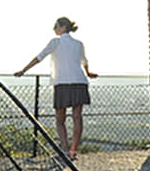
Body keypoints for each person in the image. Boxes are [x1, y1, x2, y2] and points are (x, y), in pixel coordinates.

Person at [14, 17, 97, 158]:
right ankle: (73, 151)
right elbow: (84, 61)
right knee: (77, 117)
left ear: (63, 27)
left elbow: (39, 57)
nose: (54, 29)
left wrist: (23, 70)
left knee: (60, 119)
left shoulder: (56, 42)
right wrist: (88, 73)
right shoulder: (78, 44)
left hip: (62, 82)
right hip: (79, 81)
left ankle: (64, 150)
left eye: (56, 26)